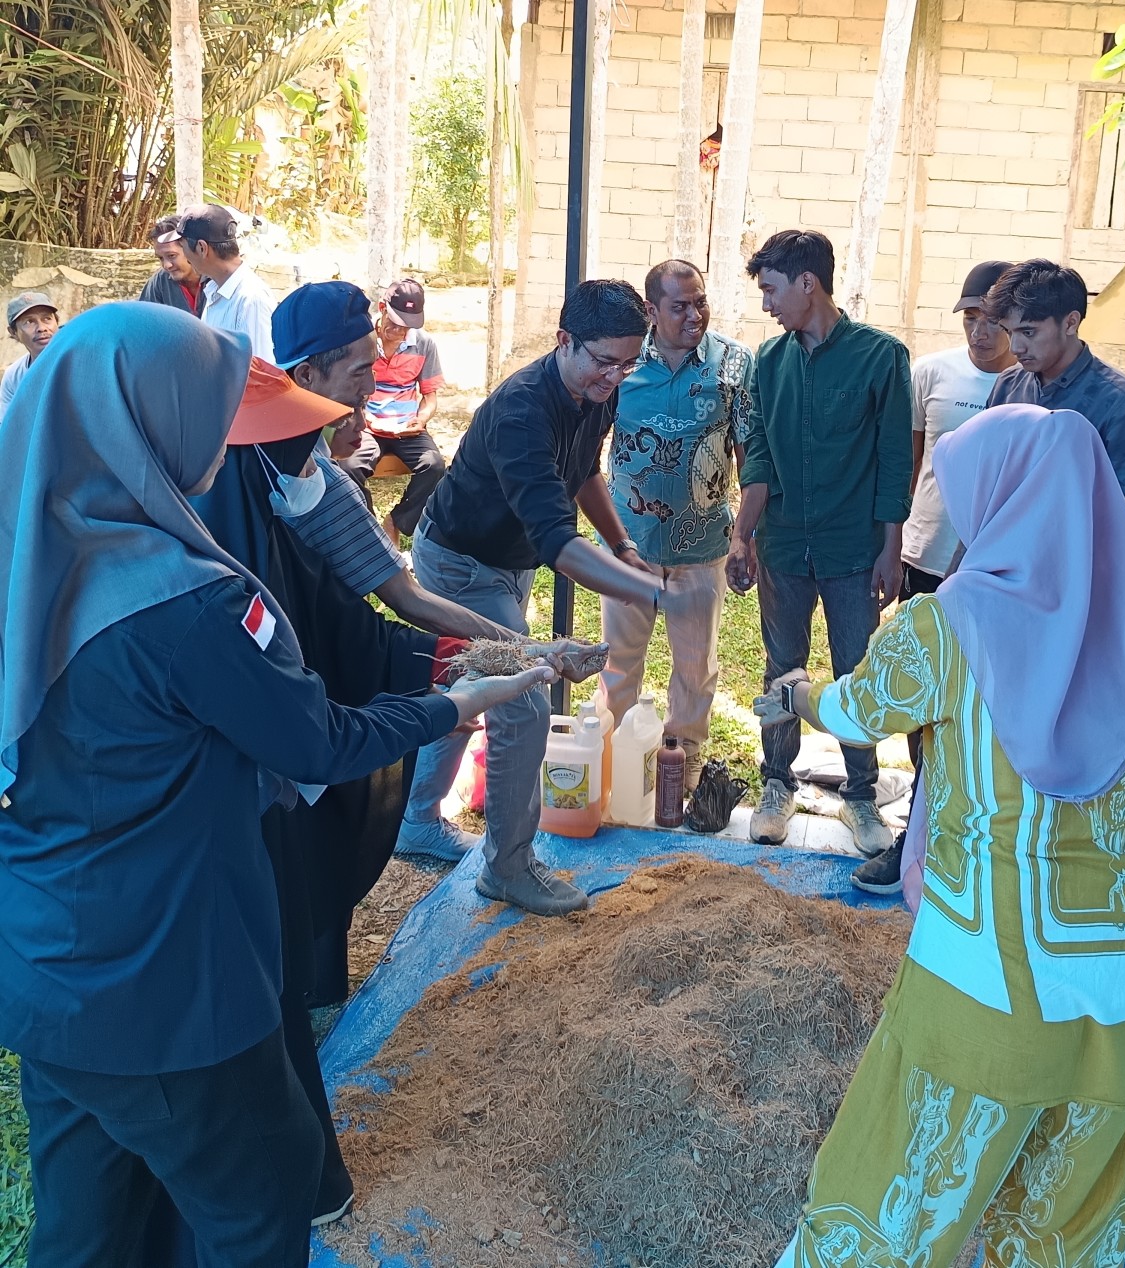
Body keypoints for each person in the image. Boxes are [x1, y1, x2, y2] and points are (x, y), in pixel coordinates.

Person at [0, 303, 550, 1266]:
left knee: (88, 1228)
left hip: (45, 971)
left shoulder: (26, 563)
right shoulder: (183, 602)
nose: (227, 442)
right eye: (210, 416)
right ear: (150, 422)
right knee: (259, 1206)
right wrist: (455, 704)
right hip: (171, 987)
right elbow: (319, 742)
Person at [758, 404, 1125, 1268]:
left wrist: (798, 691)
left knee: (883, 1222)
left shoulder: (946, 626)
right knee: (1060, 1246)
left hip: (992, 988)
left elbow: (856, 710)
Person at [270, 281, 601, 864]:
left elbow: (396, 606)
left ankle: (435, 826)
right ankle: (494, 857)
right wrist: (528, 650)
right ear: (305, 376)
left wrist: (527, 651)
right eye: (360, 373)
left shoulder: (318, 478)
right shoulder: (267, 473)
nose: (373, 390)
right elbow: (408, 602)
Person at [410, 279, 666, 916]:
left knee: (469, 683)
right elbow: (558, 544)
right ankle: (507, 867)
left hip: (507, 560)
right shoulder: (522, 410)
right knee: (520, 700)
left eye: (628, 362)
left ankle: (416, 820)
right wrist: (655, 592)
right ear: (563, 340)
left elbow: (581, 473)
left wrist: (622, 546)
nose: (615, 376)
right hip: (461, 563)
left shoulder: (595, 389)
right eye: (604, 361)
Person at [729, 229, 912, 857]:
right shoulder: (768, 361)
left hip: (854, 548)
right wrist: (743, 535)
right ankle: (776, 784)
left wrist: (891, 547)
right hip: (783, 545)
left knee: (856, 669)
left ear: (808, 283)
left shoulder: (881, 357)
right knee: (782, 666)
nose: (766, 305)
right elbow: (758, 453)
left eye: (771, 289)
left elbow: (895, 458)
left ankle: (860, 796)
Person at [852, 260, 1016, 895]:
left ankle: (966, 839)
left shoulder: (1032, 389)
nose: (979, 330)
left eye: (992, 319)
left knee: (980, 709)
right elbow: (909, 465)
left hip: (994, 574)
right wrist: (893, 546)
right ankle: (915, 836)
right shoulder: (932, 373)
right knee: (925, 702)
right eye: (970, 317)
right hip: (927, 559)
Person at [595, 259, 751, 790]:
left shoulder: (734, 363)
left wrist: (745, 535)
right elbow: (587, 448)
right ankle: (614, 761)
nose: (694, 315)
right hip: (629, 545)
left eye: (700, 302)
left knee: (695, 666)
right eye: (679, 306)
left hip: (702, 546)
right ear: (651, 310)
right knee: (618, 662)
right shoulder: (622, 364)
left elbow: (748, 452)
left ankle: (681, 764)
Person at [984, 259, 1125, 546]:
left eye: (1028, 332)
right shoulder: (1008, 385)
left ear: (1070, 323)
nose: (1015, 347)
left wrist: (1054, 549)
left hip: (1074, 567)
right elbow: (986, 488)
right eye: (1009, 332)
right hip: (998, 558)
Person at [338, 278, 448, 548]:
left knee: (434, 466)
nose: (400, 331)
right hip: (366, 424)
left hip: (406, 427)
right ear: (382, 308)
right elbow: (346, 389)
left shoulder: (424, 344)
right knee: (348, 467)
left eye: (407, 326)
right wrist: (364, 417)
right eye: (395, 323)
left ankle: (397, 522)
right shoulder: (361, 341)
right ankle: (368, 529)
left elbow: (430, 398)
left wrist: (420, 420)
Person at [180, 202, 277, 363]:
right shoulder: (215, 290)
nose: (184, 256)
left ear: (202, 248)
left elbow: (261, 371)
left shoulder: (251, 301)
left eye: (182, 246)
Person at [0, 291, 59, 424]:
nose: (41, 328)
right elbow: (8, 426)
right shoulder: (13, 376)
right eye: (29, 322)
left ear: (57, 322)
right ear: (13, 332)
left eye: (47, 319)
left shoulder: (79, 362)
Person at [138, 215, 207, 316]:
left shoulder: (217, 278)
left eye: (171, 255)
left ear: (192, 249)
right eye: (161, 258)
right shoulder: (159, 282)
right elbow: (145, 319)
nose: (166, 265)